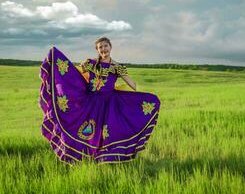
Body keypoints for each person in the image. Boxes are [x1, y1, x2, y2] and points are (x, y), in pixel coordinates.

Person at [39, 37, 160, 165]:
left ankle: (105, 159)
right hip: (90, 102)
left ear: (110, 47)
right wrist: (58, 61)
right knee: (86, 130)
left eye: (105, 46)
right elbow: (74, 73)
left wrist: (140, 98)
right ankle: (84, 157)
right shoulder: (90, 63)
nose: (103, 49)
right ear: (97, 50)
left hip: (109, 104)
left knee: (107, 133)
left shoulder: (118, 67)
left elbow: (132, 84)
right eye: (100, 47)